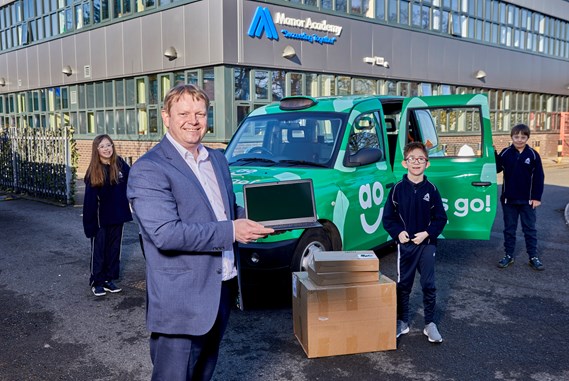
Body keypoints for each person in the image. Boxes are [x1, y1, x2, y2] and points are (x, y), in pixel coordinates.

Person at [127, 84, 273, 381]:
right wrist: (233, 230)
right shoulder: (149, 169)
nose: (193, 120)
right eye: (183, 113)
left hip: (221, 288)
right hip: (181, 301)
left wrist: (261, 220)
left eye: (200, 113)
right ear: (166, 117)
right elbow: (166, 234)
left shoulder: (217, 159)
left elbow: (226, 212)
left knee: (203, 372)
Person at [383, 141, 448, 343]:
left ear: (427, 164)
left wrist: (427, 234)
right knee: (403, 285)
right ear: (405, 163)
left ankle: (430, 324)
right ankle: (402, 321)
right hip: (406, 247)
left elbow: (440, 218)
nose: (416, 162)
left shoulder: (432, 189)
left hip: (426, 245)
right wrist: (398, 233)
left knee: (429, 284)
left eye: (421, 159)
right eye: (412, 159)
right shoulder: (397, 189)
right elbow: (388, 218)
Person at [83, 134, 133, 297]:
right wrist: (89, 225)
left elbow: (134, 178)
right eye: (102, 146)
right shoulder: (93, 171)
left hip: (117, 216)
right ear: (97, 150)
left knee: (114, 250)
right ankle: (97, 281)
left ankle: (108, 279)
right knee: (99, 251)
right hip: (100, 220)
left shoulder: (119, 165)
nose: (106, 149)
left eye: (109, 145)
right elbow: (89, 202)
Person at [496, 123, 545, 271]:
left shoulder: (533, 155)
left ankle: (533, 257)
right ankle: (508, 255)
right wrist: (493, 154)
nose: (519, 140)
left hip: (527, 201)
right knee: (509, 229)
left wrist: (536, 197)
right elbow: (497, 169)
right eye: (516, 137)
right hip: (509, 200)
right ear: (511, 137)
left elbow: (539, 177)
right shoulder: (505, 153)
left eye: (523, 137)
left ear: (527, 138)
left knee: (529, 229)